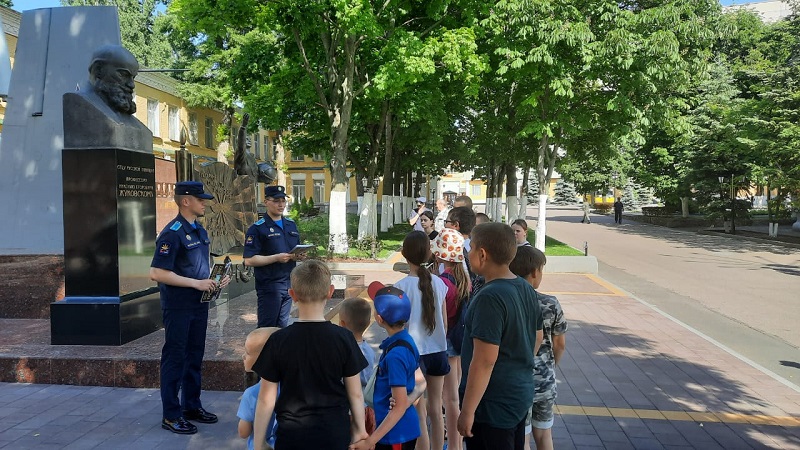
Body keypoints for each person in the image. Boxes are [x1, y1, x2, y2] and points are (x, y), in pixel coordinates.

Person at [251, 260, 368, 450]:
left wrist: (259, 443)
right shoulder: (344, 338)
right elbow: (355, 393)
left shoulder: (278, 340)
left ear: (292, 295)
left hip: (292, 435)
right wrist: (360, 429)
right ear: (330, 292)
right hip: (334, 433)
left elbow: (266, 398)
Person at [150, 181, 230, 435]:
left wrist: (216, 280)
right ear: (185, 201)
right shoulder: (172, 233)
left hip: (199, 303)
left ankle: (191, 406)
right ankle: (171, 415)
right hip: (179, 306)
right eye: (200, 199)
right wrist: (196, 283)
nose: (204, 202)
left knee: (194, 356)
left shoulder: (199, 231)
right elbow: (157, 273)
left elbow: (198, 266)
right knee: (175, 358)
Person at [457, 222, 544, 450]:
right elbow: (538, 335)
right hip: (518, 395)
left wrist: (467, 410)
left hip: (491, 407)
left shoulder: (490, 297)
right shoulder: (524, 287)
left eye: (471, 247)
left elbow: (485, 361)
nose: (468, 252)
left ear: (482, 254)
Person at [394, 231, 450, 450]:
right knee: (436, 408)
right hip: (438, 350)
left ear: (403, 254)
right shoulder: (439, 283)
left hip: (412, 354)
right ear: (429, 253)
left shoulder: (400, 287)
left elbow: (399, 325)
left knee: (418, 410)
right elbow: (444, 321)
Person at [351, 285, 424, 450]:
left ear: (379, 318)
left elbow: (398, 407)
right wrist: (405, 401)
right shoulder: (406, 340)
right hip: (399, 429)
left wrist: (370, 442)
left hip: (394, 435)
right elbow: (420, 381)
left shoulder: (395, 356)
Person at [509, 246, 568, 450]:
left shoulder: (509, 301)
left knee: (522, 437)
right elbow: (559, 344)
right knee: (544, 435)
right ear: (535, 272)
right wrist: (551, 365)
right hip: (545, 380)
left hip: (518, 381)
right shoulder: (550, 303)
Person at [431, 228, 471, 450]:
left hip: (445, 342)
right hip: (458, 342)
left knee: (445, 399)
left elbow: (439, 317)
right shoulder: (463, 278)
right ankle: (457, 443)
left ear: (439, 256)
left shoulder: (443, 283)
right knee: (453, 396)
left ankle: (451, 443)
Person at [243, 185, 304, 328]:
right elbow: (249, 260)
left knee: (282, 327)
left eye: (283, 201)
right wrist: (276, 258)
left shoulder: (290, 225)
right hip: (270, 286)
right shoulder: (258, 228)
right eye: (276, 201)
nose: (281, 204)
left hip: (289, 284)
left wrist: (298, 256)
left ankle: (278, 351)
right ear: (266, 202)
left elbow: (295, 250)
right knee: (267, 328)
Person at [238, 327, 281, 450]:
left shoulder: (251, 394)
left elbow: (243, 432)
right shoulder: (291, 387)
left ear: (262, 359)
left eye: (247, 352)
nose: (243, 356)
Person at [339, 297, 378, 433]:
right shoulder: (369, 350)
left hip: (348, 408)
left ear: (342, 324)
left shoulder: (343, 351)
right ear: (368, 323)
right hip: (366, 407)